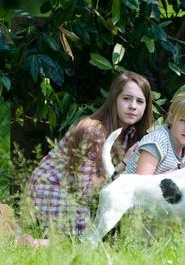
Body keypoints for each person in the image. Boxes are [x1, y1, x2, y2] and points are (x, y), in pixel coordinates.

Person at [25, 71, 153, 237]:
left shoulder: (131, 135)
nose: (133, 106)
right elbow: (84, 192)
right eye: (126, 98)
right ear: (114, 100)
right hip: (51, 191)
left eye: (140, 101)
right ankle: (30, 243)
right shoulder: (93, 131)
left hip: (76, 199)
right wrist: (123, 165)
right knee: (84, 240)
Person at [125, 91, 185, 175]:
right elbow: (141, 183)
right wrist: (179, 169)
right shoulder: (157, 143)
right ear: (171, 118)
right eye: (183, 120)